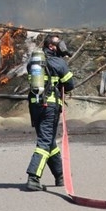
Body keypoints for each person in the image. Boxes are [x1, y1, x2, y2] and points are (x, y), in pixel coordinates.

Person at [25, 34, 75, 191]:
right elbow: (70, 84)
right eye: (58, 44)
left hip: (35, 107)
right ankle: (33, 177)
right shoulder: (59, 62)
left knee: (50, 141)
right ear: (52, 47)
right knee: (45, 142)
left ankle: (60, 176)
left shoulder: (34, 62)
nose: (61, 46)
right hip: (50, 107)